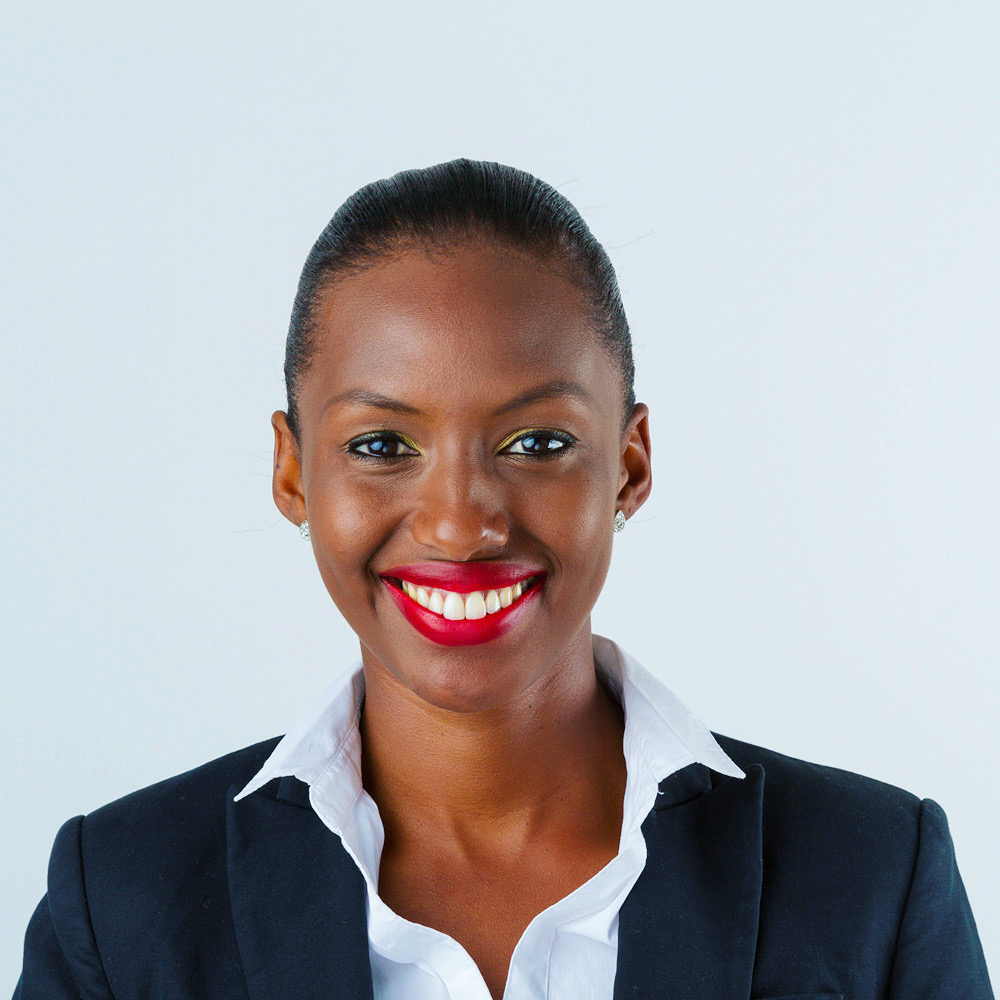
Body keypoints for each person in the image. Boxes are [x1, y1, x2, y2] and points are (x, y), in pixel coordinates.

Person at [14, 158, 993, 1000]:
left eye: (537, 442)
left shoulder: (872, 881)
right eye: (382, 444)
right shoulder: (122, 905)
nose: (459, 522)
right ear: (293, 472)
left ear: (629, 466)